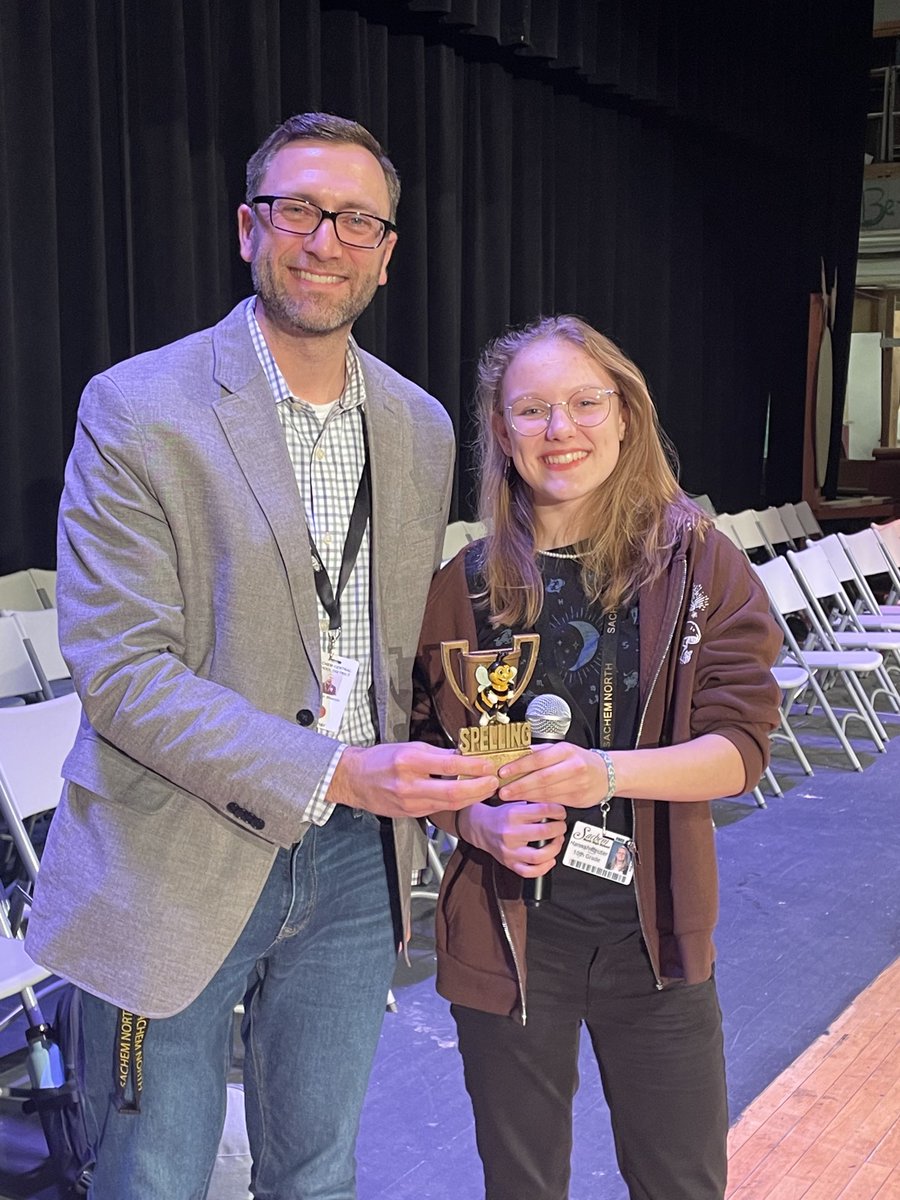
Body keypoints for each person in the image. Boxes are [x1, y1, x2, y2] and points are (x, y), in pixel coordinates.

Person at [25, 112, 498, 1200]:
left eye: (356, 220)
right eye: (298, 210)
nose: (325, 240)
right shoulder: (139, 410)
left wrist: (467, 772)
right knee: (152, 1176)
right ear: (250, 228)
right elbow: (124, 670)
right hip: (170, 850)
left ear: (387, 253)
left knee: (319, 1173)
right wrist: (335, 769)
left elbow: (395, 655)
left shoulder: (422, 428)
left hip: (351, 868)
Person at [412, 314, 782, 1200]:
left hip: (653, 932)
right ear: (501, 431)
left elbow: (742, 749)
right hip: (510, 932)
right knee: (523, 1185)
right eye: (531, 409)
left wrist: (605, 773)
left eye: (585, 402)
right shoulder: (464, 582)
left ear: (626, 416)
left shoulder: (698, 562)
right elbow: (426, 750)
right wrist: (476, 819)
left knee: (680, 1181)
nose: (560, 429)